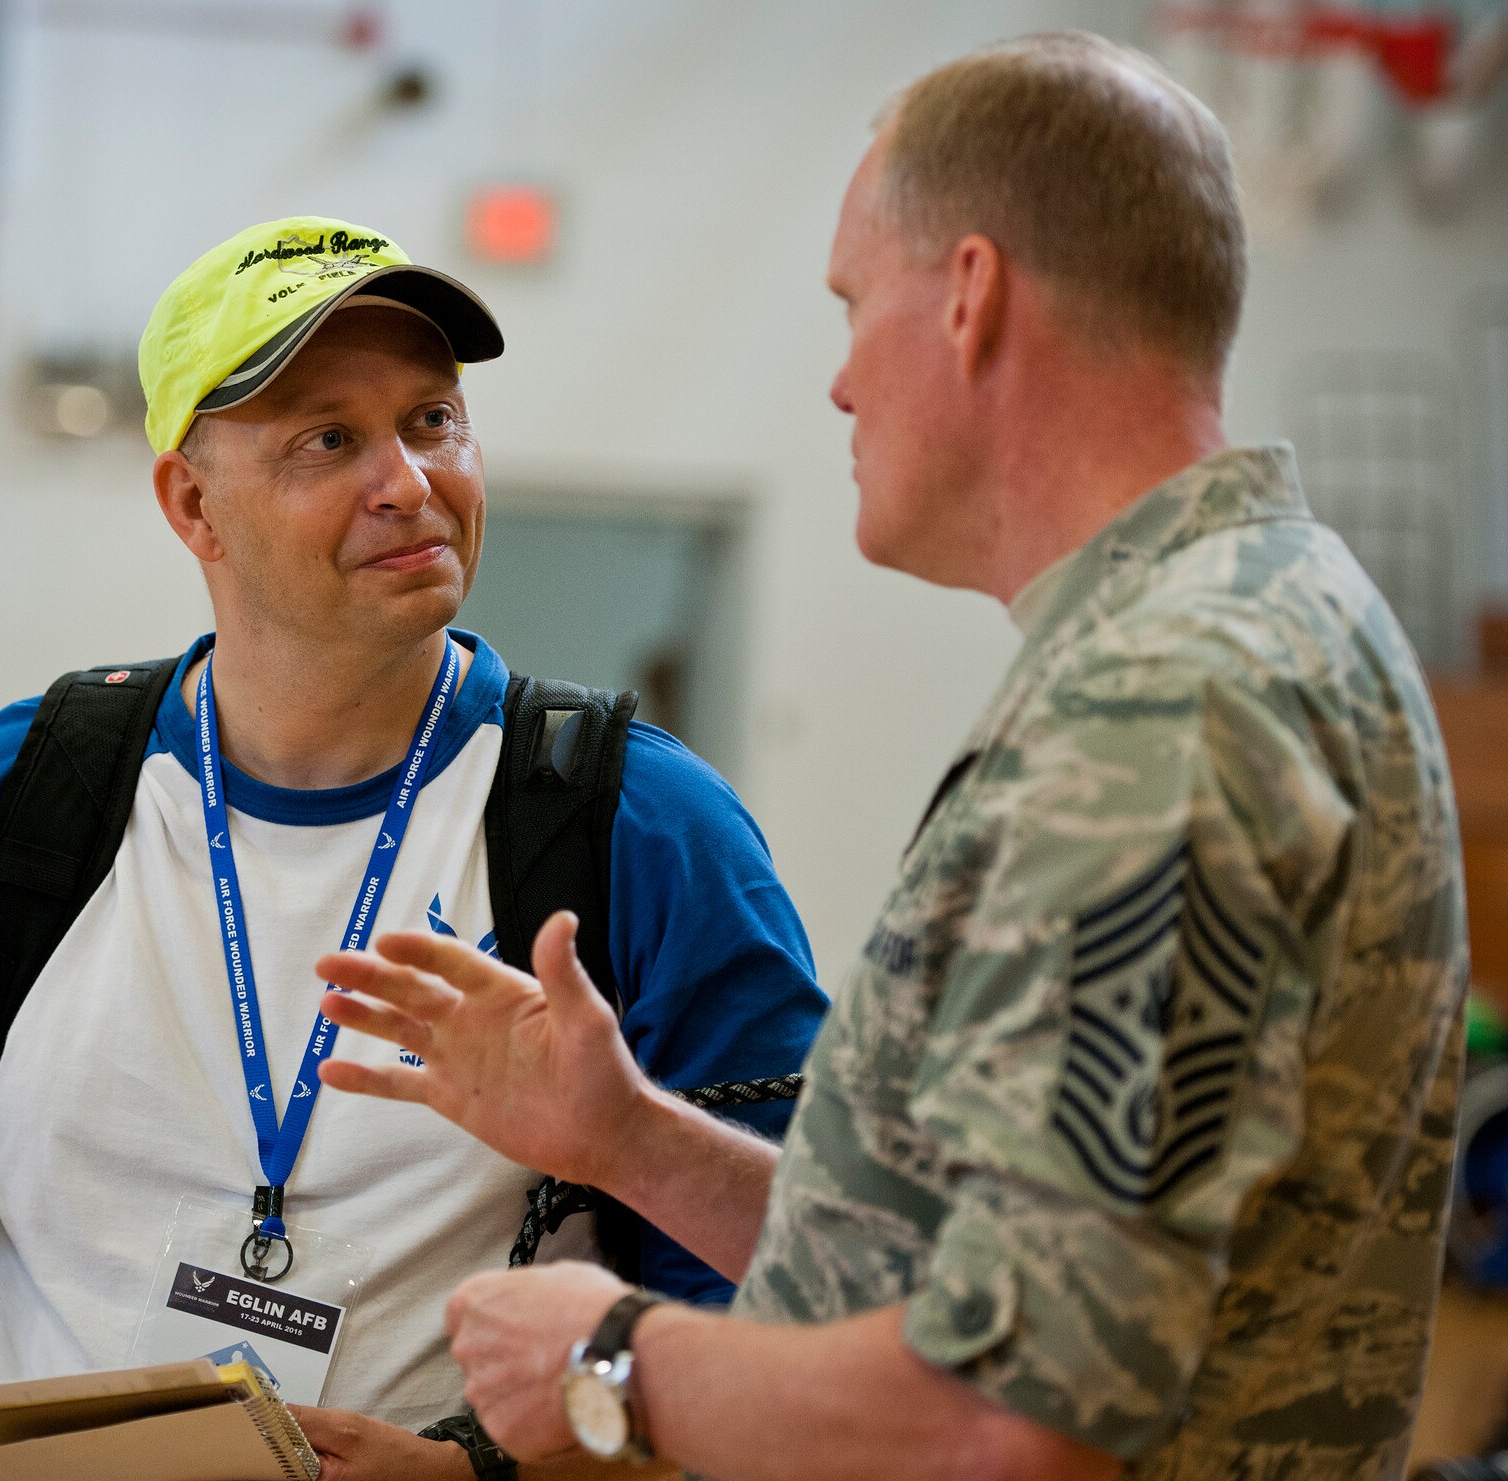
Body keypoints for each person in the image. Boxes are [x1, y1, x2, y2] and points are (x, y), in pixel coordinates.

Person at [316, 34, 1470, 1481]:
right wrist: (635, 1142)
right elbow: (974, 1266)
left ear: (973, 296)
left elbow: (1013, 1415)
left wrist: (610, 1357)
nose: (842, 385)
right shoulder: (1237, 623)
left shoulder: (1166, 706)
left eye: (854, 305)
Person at [0, 218, 828, 1481]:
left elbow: (788, 1339)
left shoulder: (640, 829)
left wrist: (483, 1475)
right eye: (329, 438)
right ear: (191, 502)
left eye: (433, 419)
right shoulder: (13, 806)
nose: (409, 481)